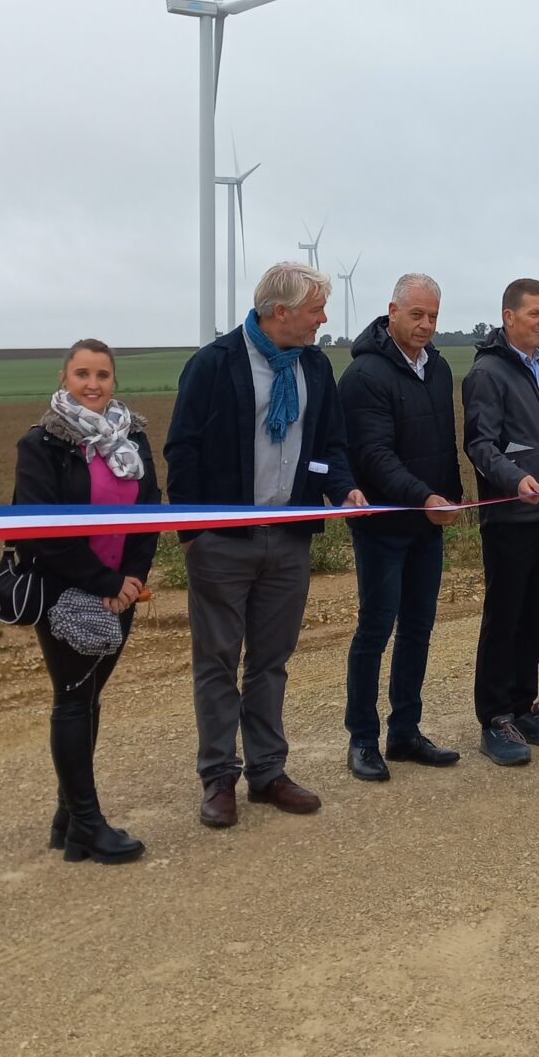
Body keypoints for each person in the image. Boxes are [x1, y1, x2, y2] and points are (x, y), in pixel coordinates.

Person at [165, 262, 367, 829]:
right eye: (315, 310)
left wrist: (343, 486)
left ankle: (268, 771)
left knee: (271, 662)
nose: (324, 320)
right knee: (217, 661)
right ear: (281, 313)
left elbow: (329, 441)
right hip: (222, 542)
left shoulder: (315, 367)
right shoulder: (213, 364)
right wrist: (192, 535)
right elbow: (182, 450)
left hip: (289, 538)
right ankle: (218, 778)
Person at [12, 339, 161, 863]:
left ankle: (67, 817)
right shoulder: (43, 444)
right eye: (82, 374)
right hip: (66, 591)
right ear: (64, 377)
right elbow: (40, 532)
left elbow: (151, 515)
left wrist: (132, 579)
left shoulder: (133, 439)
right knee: (73, 700)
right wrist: (103, 582)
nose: (92, 384)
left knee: (91, 697)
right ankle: (87, 826)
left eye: (102, 374)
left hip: (121, 592)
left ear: (114, 381)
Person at [337, 274, 465, 781]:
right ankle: (362, 739)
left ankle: (405, 732)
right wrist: (422, 497)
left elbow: (442, 441)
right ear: (392, 310)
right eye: (417, 315)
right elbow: (372, 454)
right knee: (375, 629)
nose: (426, 326)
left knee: (418, 628)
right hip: (384, 525)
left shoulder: (437, 367)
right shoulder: (364, 376)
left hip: (426, 525)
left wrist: (449, 495)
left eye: (433, 316)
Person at [463, 278, 539, 765]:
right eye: (534, 313)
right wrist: (514, 480)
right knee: (506, 618)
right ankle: (494, 718)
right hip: (511, 518)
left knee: (537, 617)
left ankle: (524, 706)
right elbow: (480, 445)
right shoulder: (488, 373)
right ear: (508, 316)